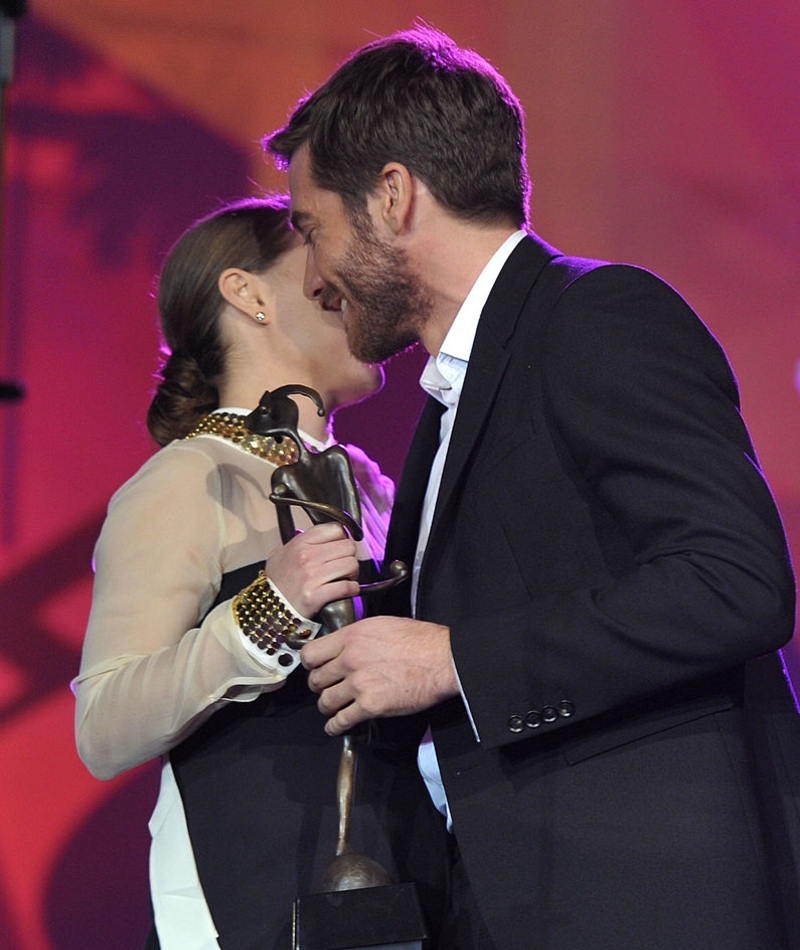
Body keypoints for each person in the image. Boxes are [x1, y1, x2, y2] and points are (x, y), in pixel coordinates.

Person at [265, 26, 800, 950]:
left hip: (645, 906)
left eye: (313, 230)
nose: (314, 279)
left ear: (393, 197)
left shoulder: (597, 316)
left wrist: (449, 660)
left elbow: (735, 582)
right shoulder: (448, 400)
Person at [72, 195, 445, 950]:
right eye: (322, 258)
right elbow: (103, 726)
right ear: (247, 293)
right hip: (251, 901)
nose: (356, 283)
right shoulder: (187, 479)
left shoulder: (370, 484)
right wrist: (267, 609)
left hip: (403, 886)